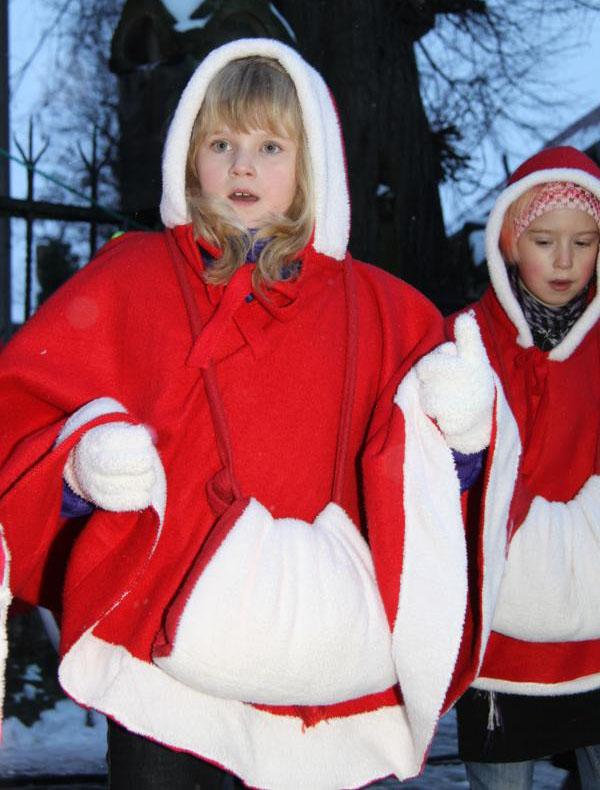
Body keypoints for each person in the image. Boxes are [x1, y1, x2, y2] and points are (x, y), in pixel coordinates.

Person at [0, 38, 493, 789]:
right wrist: (80, 469)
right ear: (188, 155)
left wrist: (462, 438)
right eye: (220, 143)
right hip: (160, 666)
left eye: (269, 146)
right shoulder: (131, 281)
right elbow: (24, 415)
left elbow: (447, 487)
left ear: (311, 162)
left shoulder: (385, 312)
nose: (241, 166)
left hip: (318, 671)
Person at [448, 145, 600, 790]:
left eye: (583, 243)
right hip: (497, 639)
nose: (564, 262)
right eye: (544, 241)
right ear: (509, 242)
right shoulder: (464, 340)